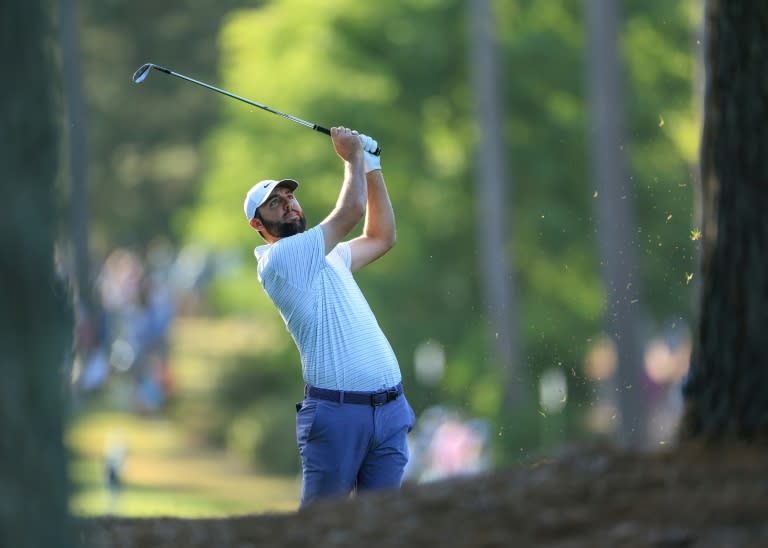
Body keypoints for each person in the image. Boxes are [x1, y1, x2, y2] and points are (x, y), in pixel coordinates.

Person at [243, 126, 415, 507]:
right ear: (258, 225)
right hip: (338, 415)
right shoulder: (280, 260)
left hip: (389, 412)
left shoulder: (329, 255)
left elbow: (381, 237)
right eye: (274, 204)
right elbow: (350, 212)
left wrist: (372, 167)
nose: (289, 204)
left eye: (289, 196)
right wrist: (352, 156)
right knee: (321, 530)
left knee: (383, 530)